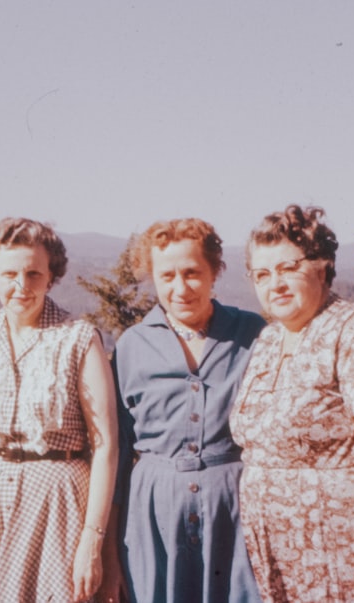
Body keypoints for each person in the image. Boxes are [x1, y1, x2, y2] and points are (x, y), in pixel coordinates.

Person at [230, 205, 354, 603]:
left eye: (289, 268)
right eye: (263, 275)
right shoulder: (269, 340)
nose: (276, 284)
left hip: (347, 551)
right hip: (285, 560)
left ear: (321, 266)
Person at [0, 217, 118, 603]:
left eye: (33, 273)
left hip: (56, 506)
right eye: (9, 273)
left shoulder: (78, 339)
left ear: (51, 276)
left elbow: (107, 445)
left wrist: (93, 541)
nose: (21, 286)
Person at [112, 218, 265, 603]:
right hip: (153, 512)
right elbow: (116, 450)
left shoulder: (252, 333)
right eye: (167, 276)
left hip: (233, 508)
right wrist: (108, 548)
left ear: (215, 271)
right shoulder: (132, 345)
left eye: (193, 273)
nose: (180, 288)